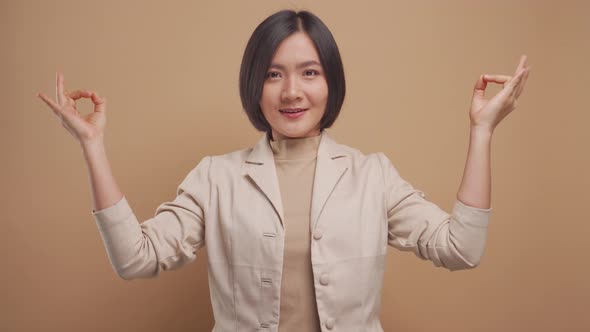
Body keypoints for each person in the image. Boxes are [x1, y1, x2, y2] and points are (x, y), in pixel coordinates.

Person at [37, 9, 530, 332]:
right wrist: (93, 147)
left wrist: (482, 131)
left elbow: (461, 249)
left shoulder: (372, 176)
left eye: (309, 72)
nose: (292, 91)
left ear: (330, 84)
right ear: (255, 85)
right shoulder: (216, 178)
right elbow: (135, 258)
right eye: (274, 74)